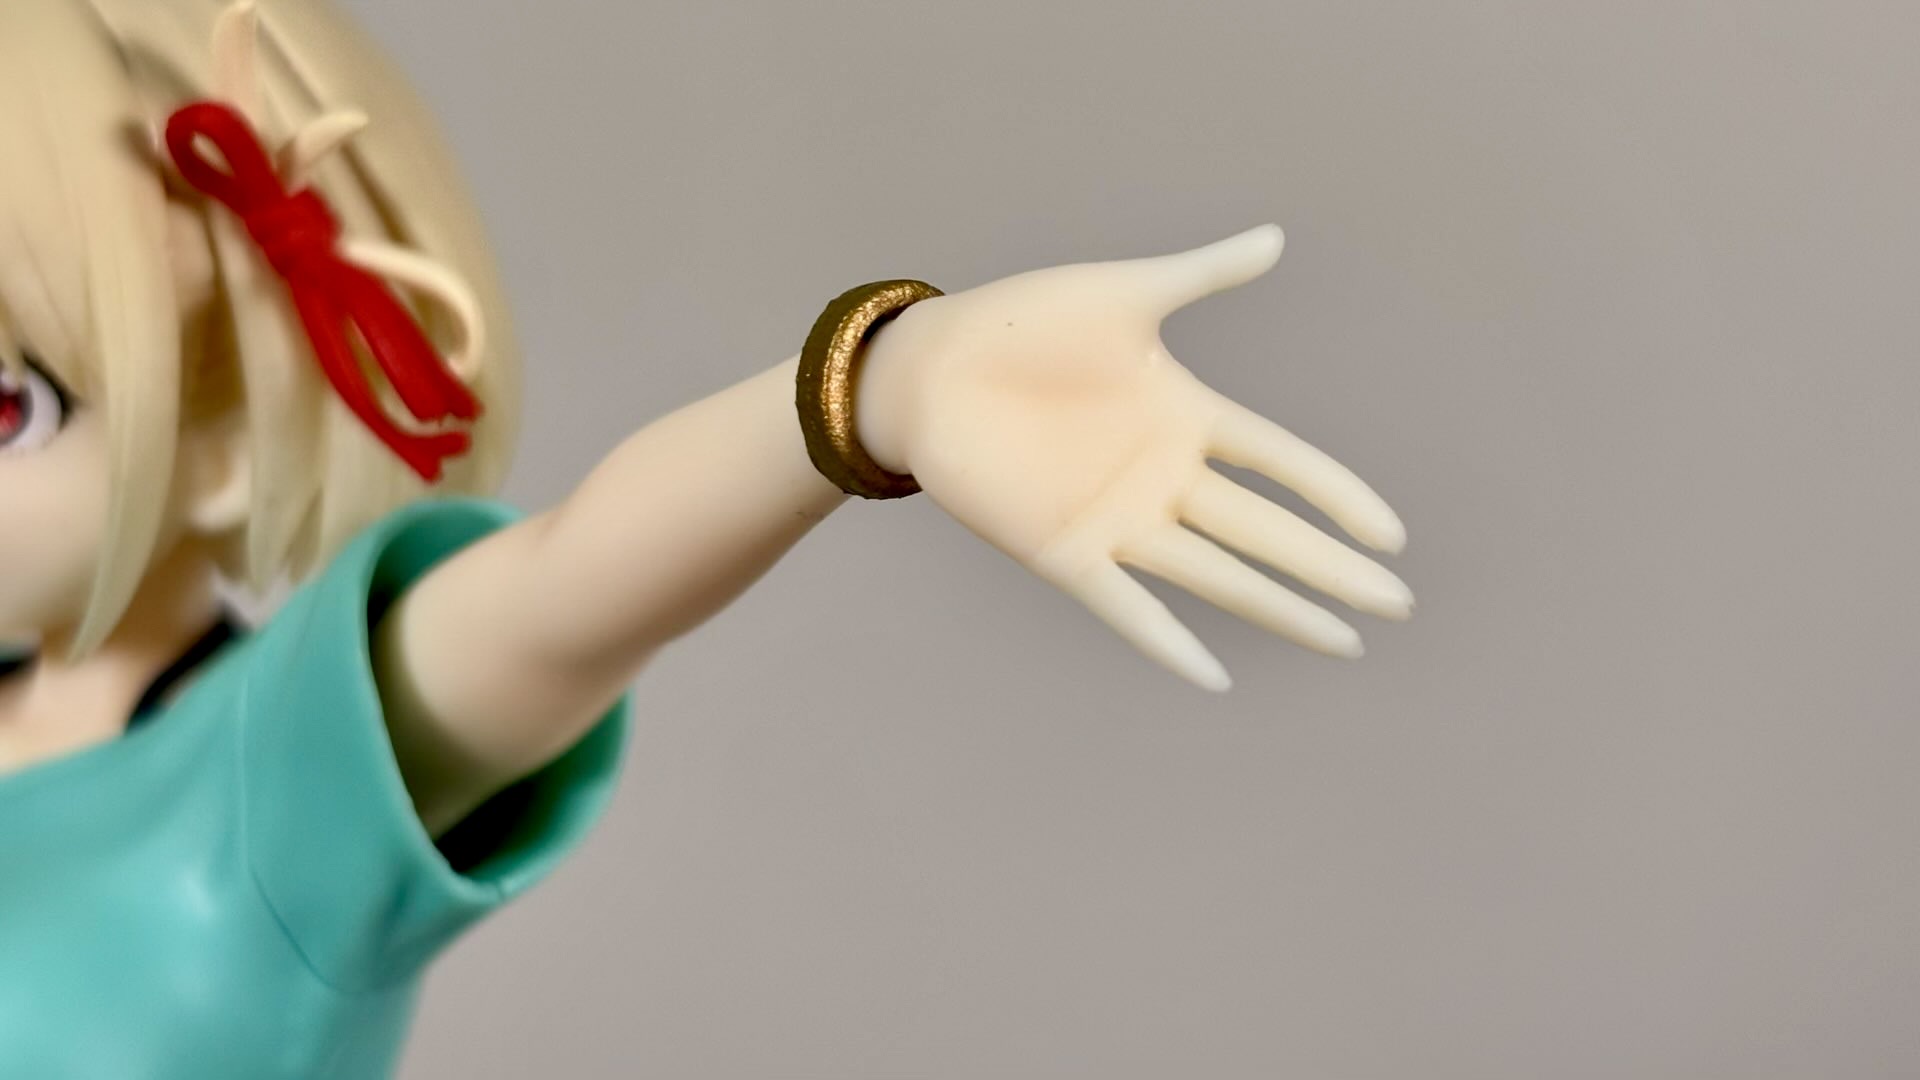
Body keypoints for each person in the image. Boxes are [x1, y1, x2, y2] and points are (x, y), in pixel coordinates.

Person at [0, 0, 1412, 1074]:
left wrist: (874, 388)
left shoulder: (273, 777)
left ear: (221, 444)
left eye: (11, 408)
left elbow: (561, 591)